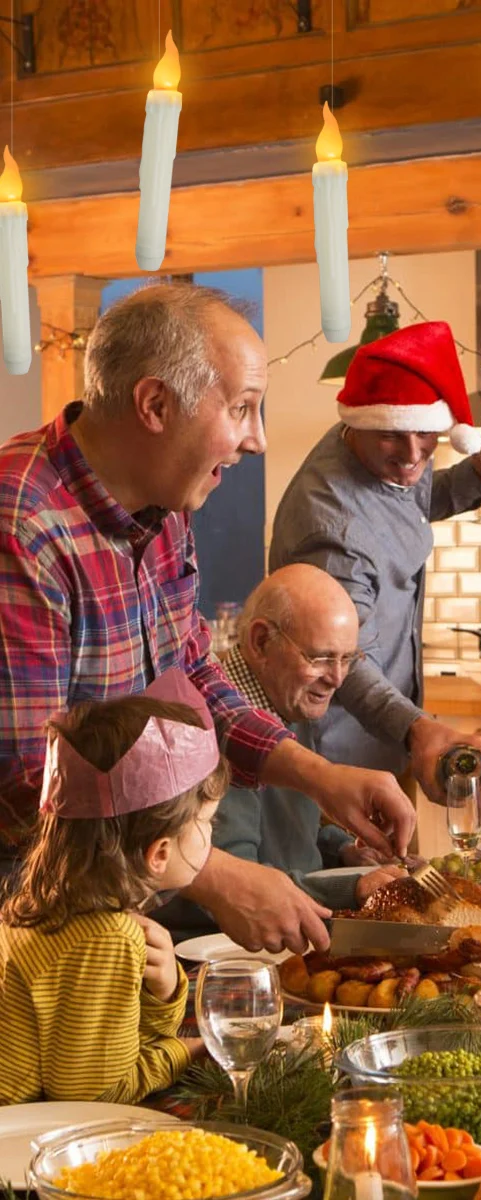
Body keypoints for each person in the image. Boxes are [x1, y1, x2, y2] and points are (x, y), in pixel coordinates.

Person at [0, 283, 415, 955]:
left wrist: (317, 776)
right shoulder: (22, 524)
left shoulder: (166, 514)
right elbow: (28, 785)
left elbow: (193, 680)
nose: (257, 440)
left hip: (120, 907)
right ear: (156, 404)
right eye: (244, 409)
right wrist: (212, 876)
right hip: (33, 933)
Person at [270, 321, 481, 802]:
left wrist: (476, 477)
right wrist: (418, 729)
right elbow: (343, 664)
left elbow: (408, 499)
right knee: (358, 875)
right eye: (392, 437)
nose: (411, 455)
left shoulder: (373, 446)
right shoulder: (332, 527)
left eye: (427, 435)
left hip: (384, 741)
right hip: (337, 761)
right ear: (360, 424)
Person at [0, 672, 223, 1103]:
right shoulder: (106, 938)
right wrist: (189, 1050)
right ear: (159, 852)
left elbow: (99, 1053)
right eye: (208, 822)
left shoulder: (41, 907)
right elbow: (97, 1094)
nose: (212, 833)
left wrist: (162, 995)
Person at [158, 564, 405, 937]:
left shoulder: (289, 700)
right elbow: (231, 895)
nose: (337, 678)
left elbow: (285, 842)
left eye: (348, 659)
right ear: (260, 642)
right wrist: (352, 889)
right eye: (321, 657)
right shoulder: (210, 735)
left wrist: (345, 851)